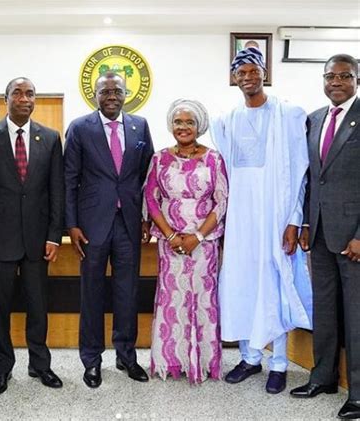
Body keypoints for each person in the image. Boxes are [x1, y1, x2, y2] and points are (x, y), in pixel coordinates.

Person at [211, 47, 312, 394]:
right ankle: (250, 358)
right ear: (235, 78)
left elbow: (300, 174)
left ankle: (279, 362)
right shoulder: (225, 122)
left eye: (254, 71)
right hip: (241, 220)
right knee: (242, 284)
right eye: (242, 72)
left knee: (275, 284)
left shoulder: (289, 115)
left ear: (264, 73)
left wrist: (294, 220)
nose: (248, 77)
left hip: (275, 215)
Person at [0, 77, 64, 395]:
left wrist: (55, 235)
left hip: (39, 241)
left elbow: (57, 191)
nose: (24, 98)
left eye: (30, 94)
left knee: (38, 305)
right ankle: (1, 369)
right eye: (18, 93)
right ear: (6, 99)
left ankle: (40, 364)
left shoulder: (50, 138)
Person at [64, 71, 154, 388]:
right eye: (105, 91)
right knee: (92, 294)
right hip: (91, 226)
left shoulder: (139, 126)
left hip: (128, 223)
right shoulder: (79, 128)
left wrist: (146, 217)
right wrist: (72, 224)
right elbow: (69, 179)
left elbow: (148, 177)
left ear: (125, 94)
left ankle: (126, 356)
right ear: (95, 95)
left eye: (117, 90)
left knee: (127, 293)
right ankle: (91, 360)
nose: (112, 96)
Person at [290, 54, 360, 419]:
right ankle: (323, 377)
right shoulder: (314, 119)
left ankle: (359, 395)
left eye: (344, 76)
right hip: (318, 233)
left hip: (353, 238)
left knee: (357, 315)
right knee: (325, 310)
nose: (336, 81)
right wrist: (304, 224)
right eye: (330, 76)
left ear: (356, 79)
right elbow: (311, 179)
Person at [144, 99, 228, 384]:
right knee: (172, 300)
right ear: (171, 125)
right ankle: (172, 361)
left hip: (204, 243)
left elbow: (222, 201)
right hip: (170, 243)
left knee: (203, 300)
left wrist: (198, 236)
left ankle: (203, 362)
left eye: (189, 122)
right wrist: (169, 234)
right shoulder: (159, 159)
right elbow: (151, 200)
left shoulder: (214, 159)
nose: (183, 127)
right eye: (178, 122)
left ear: (199, 126)